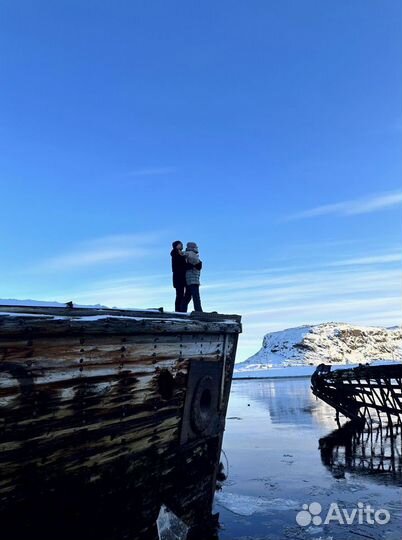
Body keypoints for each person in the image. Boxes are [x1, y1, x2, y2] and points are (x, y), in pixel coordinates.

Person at [182, 242, 203, 312]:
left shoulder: (190, 254)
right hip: (193, 279)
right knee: (196, 297)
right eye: (195, 246)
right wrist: (199, 263)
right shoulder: (191, 253)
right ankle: (199, 311)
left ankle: (182, 310)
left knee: (187, 297)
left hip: (190, 279)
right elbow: (197, 263)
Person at [170, 240, 187, 312]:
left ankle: (180, 310)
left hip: (180, 277)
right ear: (176, 246)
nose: (181, 245)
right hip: (178, 277)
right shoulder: (176, 253)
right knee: (179, 295)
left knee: (181, 294)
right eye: (180, 244)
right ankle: (178, 310)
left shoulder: (179, 254)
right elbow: (181, 265)